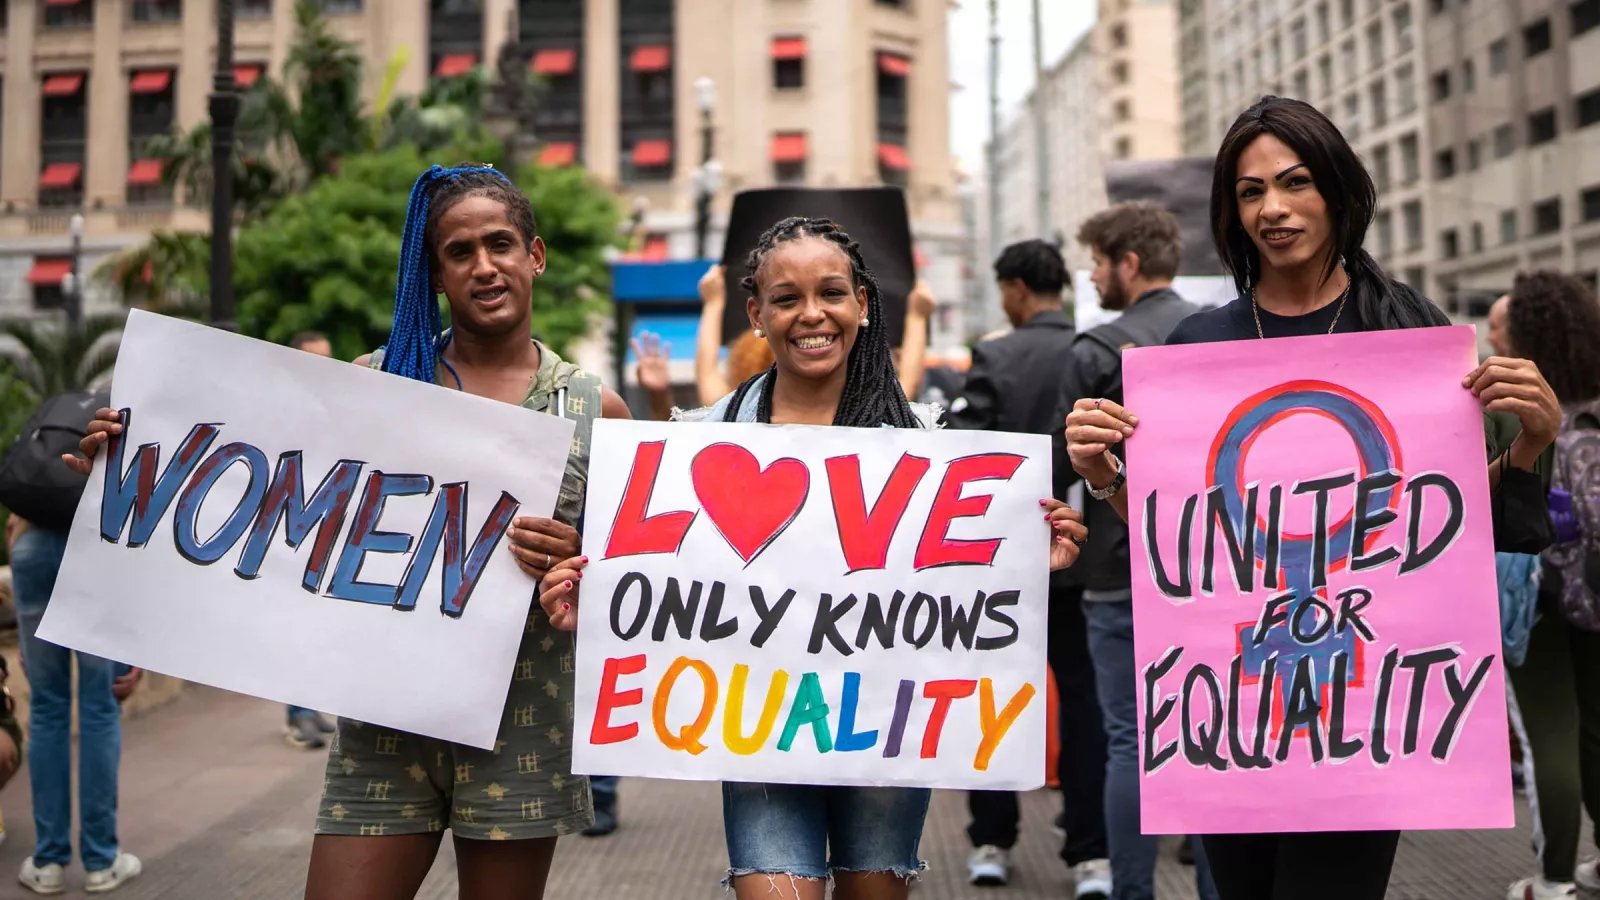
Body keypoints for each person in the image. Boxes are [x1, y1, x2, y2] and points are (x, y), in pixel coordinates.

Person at [68, 164, 633, 900]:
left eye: (500, 244)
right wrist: (134, 469)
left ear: (537, 255)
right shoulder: (372, 385)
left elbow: (635, 589)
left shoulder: (595, 409)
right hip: (382, 730)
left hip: (520, 731)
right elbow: (266, 512)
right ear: (433, 273)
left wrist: (576, 568)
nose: (484, 266)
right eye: (459, 252)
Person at [1064, 95, 1562, 900]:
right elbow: (1185, 542)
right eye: (1251, 191)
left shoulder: (1406, 331)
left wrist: (1530, 443)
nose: (1274, 208)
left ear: (1336, 189)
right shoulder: (1196, 347)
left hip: (1365, 703)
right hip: (1235, 705)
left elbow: (1446, 520)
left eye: (1294, 183)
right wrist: (1106, 476)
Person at [538, 216, 1090, 900]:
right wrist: (593, 594)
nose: (811, 314)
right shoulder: (694, 446)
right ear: (757, 313)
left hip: (884, 738)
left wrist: (1027, 550)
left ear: (862, 302)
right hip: (758, 736)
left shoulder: (929, 446)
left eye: (830, 292)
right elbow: (649, 584)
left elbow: (960, 591)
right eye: (787, 297)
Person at [1054, 205, 1218, 900]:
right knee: (1214, 746)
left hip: (1116, 576)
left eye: (1097, 262)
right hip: (1209, 574)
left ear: (1127, 262)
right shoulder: (1216, 337)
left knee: (1130, 744)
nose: (1092, 277)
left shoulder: (1096, 350)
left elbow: (1065, 468)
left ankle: (1131, 894)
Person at [945, 238, 1111, 896]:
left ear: (1014, 289)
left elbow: (965, 455)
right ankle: (1091, 854)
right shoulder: (1093, 351)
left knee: (993, 700)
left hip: (1003, 567)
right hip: (1082, 558)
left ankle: (991, 840)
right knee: (1085, 706)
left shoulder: (996, 353)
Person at [1494, 271, 1600, 900]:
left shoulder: (1513, 406)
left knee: (1549, 730)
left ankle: (1555, 876)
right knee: (1598, 724)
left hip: (1532, 590)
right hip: (1596, 583)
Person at [9, 513, 142, 892]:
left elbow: (14, 513)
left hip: (29, 547)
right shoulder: (109, 448)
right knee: (99, 706)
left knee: (46, 707)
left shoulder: (33, 448)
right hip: (95, 549)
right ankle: (101, 861)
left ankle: (48, 861)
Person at [279, 330, 340, 751]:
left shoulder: (333, 407)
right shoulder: (287, 408)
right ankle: (297, 714)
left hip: (326, 528)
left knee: (319, 626)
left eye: (329, 358)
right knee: (296, 624)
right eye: (315, 359)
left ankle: (311, 707)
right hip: (293, 531)